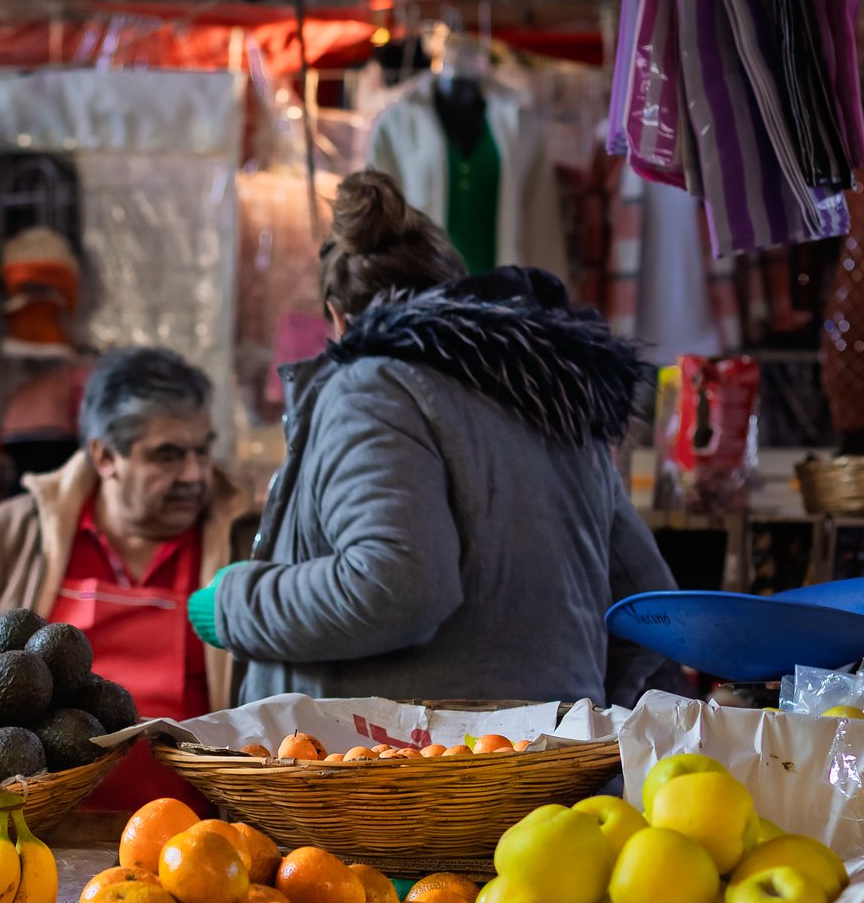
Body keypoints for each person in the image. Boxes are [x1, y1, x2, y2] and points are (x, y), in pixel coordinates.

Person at [187, 171, 673, 705]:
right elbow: (651, 605)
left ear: (337, 319)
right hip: (555, 775)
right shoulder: (550, 391)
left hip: (405, 778)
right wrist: (579, 717)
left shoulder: (372, 386)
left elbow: (396, 588)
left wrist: (234, 602)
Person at [0, 347, 255, 810]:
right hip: (29, 838)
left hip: (195, 845)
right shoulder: (11, 536)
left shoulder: (245, 544)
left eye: (202, 450)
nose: (195, 474)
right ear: (105, 456)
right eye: (167, 455)